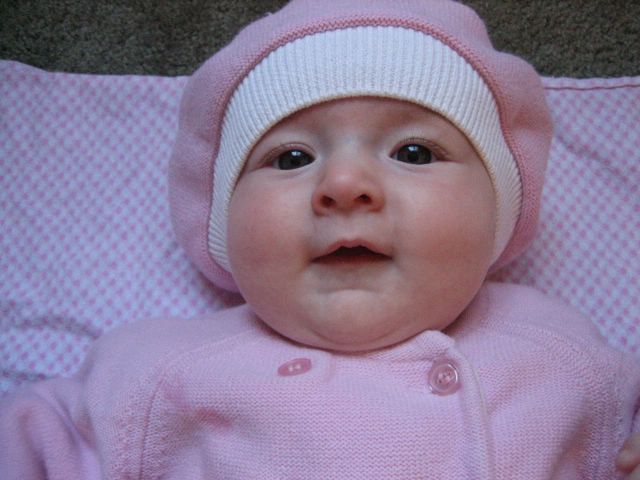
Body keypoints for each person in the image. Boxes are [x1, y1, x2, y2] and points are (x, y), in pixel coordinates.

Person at [1, 0, 639, 478]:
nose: (344, 184)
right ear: (224, 226)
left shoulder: (561, 351)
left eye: (414, 152)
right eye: (291, 158)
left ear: (498, 211)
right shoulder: (158, 371)